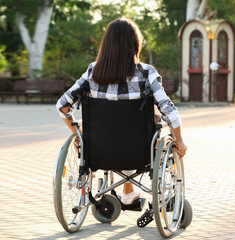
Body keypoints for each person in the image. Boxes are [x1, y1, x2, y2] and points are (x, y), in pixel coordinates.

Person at [56, 17, 187, 205]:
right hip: (139, 151)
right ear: (135, 44)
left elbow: (62, 105)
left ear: (106, 45)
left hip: (98, 151)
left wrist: (78, 134)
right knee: (146, 123)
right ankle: (130, 193)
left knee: (116, 129)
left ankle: (128, 192)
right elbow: (170, 111)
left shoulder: (93, 72)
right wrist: (179, 141)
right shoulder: (146, 73)